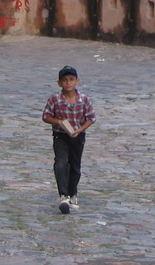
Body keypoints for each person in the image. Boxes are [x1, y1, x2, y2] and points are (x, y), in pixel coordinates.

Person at [41, 65, 96, 214]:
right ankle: (63, 195)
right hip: (60, 135)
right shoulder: (55, 99)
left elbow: (91, 118)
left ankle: (73, 194)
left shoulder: (84, 100)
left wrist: (81, 129)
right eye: (64, 80)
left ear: (77, 81)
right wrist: (58, 122)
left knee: (75, 166)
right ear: (59, 83)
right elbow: (46, 116)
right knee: (60, 163)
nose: (68, 83)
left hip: (78, 136)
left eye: (71, 79)